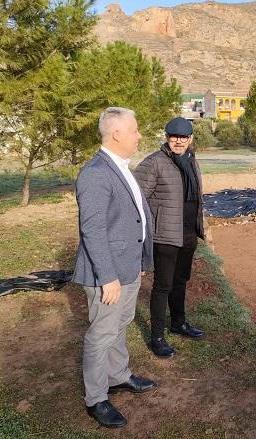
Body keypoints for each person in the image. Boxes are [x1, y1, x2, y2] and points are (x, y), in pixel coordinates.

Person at [73, 107, 157, 429]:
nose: (139, 135)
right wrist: (107, 277)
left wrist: (138, 264)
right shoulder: (95, 173)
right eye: (134, 130)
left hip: (128, 267)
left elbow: (132, 219)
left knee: (121, 323)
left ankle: (119, 375)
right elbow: (92, 230)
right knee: (101, 334)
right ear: (116, 133)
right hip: (106, 274)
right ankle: (96, 399)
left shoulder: (121, 167)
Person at [135, 117, 205, 358]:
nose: (178, 140)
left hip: (187, 233)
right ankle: (157, 336)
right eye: (173, 136)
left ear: (190, 139)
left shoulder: (191, 160)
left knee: (181, 280)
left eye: (183, 137)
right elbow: (136, 200)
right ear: (166, 138)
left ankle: (178, 322)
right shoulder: (154, 163)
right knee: (162, 285)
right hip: (164, 235)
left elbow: (195, 197)